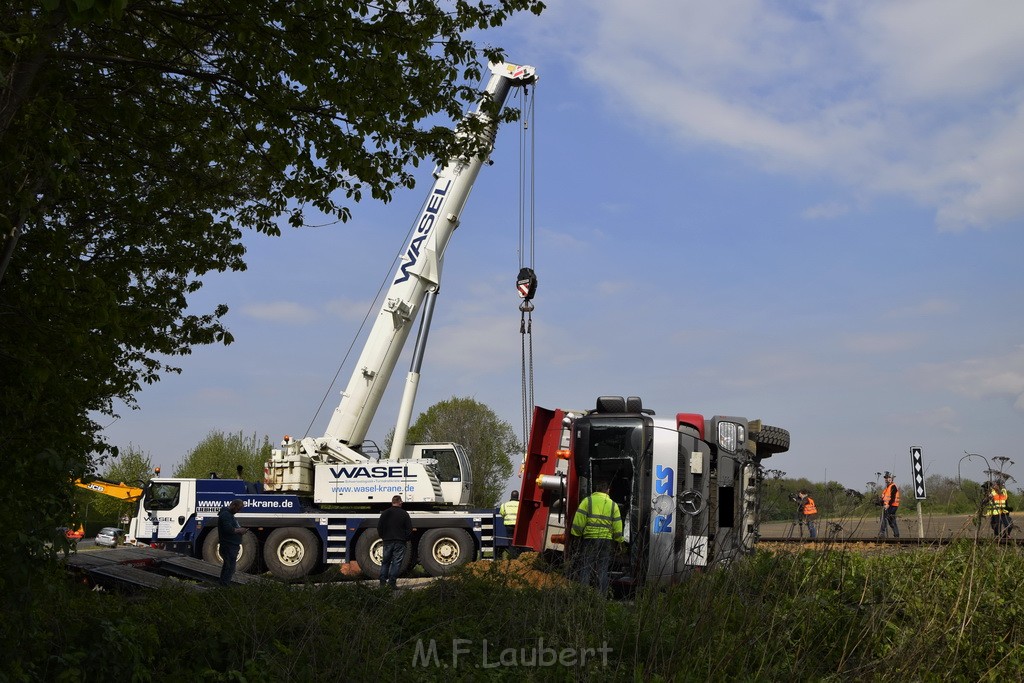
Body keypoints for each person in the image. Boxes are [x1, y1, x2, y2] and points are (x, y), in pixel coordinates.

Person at [570, 479, 624, 596]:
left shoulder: (587, 501)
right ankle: (601, 598)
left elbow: (578, 521)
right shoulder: (613, 505)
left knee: (585, 568)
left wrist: (576, 536)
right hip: (606, 541)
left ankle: (583, 596)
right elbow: (618, 525)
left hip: (589, 539)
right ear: (608, 491)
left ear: (596, 490)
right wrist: (619, 541)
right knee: (602, 570)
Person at [377, 494, 412, 589]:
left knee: (385, 562)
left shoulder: (385, 513)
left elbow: (379, 527)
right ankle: (392, 583)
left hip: (388, 541)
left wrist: (383, 537)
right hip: (400, 542)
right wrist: (406, 539)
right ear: (400, 502)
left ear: (392, 502)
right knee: (396, 563)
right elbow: (409, 529)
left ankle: (382, 583)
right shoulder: (404, 514)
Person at [217, 499, 247, 586]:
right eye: (238, 509)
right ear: (233, 505)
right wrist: (239, 530)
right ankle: (224, 586)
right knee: (229, 567)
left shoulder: (229, 515)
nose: (238, 511)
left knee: (228, 567)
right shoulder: (226, 515)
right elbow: (228, 529)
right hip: (228, 545)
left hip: (231, 545)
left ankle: (223, 584)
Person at [879, 473, 900, 538]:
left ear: (891, 479)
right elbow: (885, 499)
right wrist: (878, 502)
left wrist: (888, 505)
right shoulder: (887, 488)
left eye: (888, 478)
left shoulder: (893, 486)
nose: (886, 479)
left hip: (892, 506)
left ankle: (882, 533)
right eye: (885, 478)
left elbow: (893, 498)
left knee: (884, 517)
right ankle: (896, 535)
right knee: (891, 521)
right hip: (890, 506)